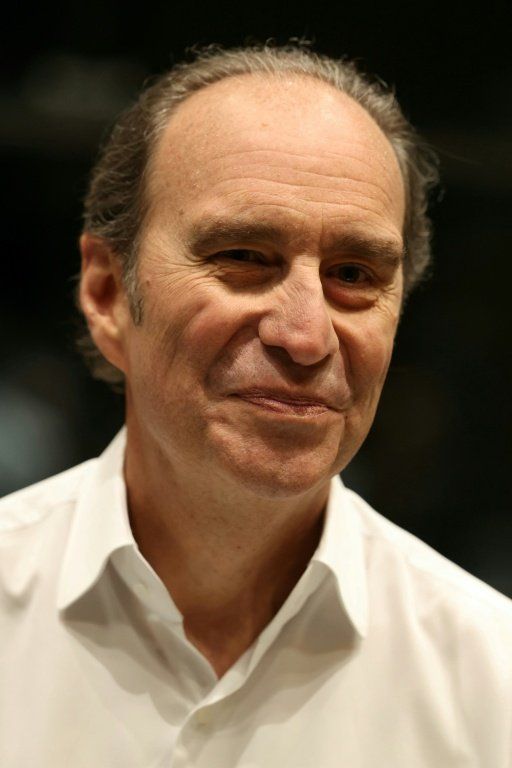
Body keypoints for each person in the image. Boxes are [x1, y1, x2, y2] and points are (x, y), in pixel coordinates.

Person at [1, 44, 511, 768]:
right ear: (108, 294)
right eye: (243, 256)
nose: (305, 337)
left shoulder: (492, 682)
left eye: (353, 273)